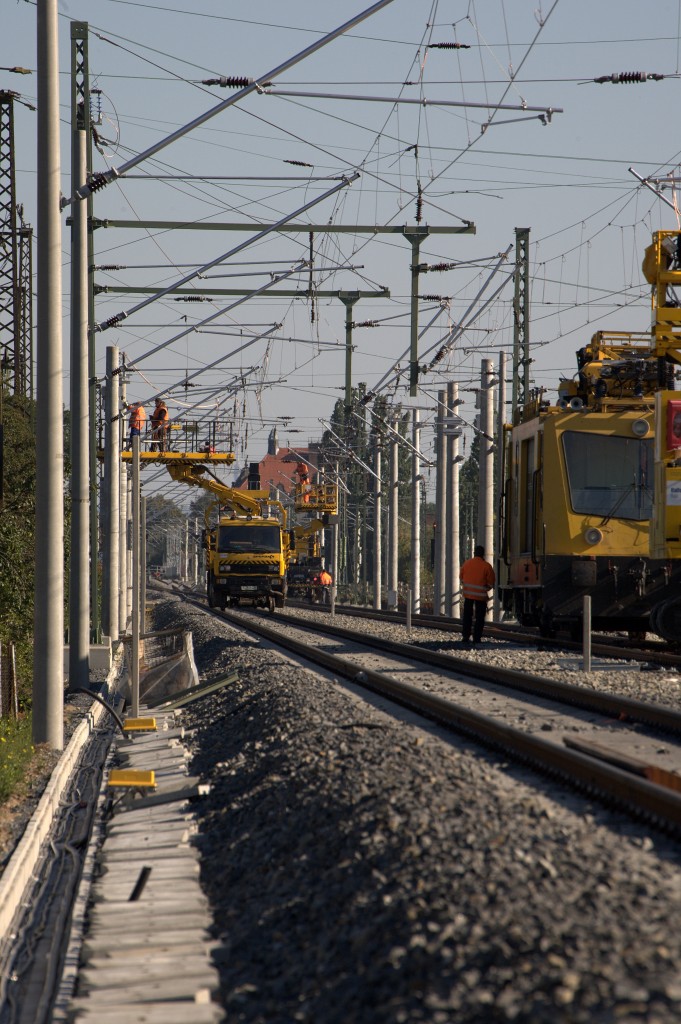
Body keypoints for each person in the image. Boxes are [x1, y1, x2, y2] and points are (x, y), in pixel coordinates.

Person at [459, 545, 495, 644]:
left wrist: (467, 587)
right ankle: (477, 638)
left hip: (468, 595)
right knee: (479, 618)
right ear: (483, 554)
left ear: (474, 553)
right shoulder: (486, 566)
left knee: (467, 616)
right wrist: (485, 588)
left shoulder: (467, 564)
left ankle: (466, 636)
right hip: (481, 596)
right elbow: (491, 582)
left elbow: (461, 577)